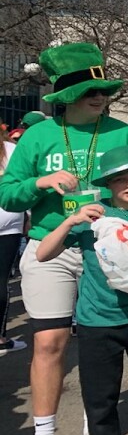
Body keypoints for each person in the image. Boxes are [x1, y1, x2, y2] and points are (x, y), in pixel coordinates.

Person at [0, 43, 128, 435]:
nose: (100, 98)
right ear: (65, 95)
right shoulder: (39, 136)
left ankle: (93, 420)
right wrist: (40, 184)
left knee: (105, 342)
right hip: (53, 246)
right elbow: (8, 195)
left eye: (104, 92)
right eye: (88, 92)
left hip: (109, 247)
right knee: (49, 343)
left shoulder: (123, 132)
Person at [35, 146, 128, 435]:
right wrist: (70, 222)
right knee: (100, 401)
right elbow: (43, 253)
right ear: (108, 184)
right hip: (97, 321)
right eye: (121, 179)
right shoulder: (93, 215)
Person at [0, 126, 26, 354]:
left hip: (9, 221)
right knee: (1, 280)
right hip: (8, 221)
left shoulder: (10, 149)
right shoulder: (11, 150)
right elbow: (21, 185)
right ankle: (0, 338)